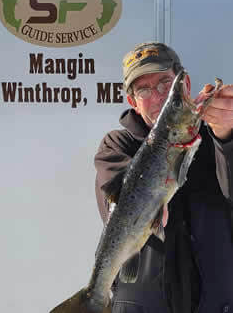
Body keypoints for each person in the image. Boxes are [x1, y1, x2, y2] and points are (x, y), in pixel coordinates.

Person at [94, 42, 233, 313]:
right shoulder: (115, 146)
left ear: (185, 85)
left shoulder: (217, 137)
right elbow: (121, 207)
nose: (157, 96)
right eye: (144, 89)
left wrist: (227, 140)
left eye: (164, 84)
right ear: (132, 101)